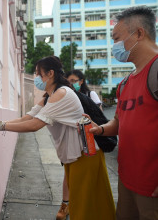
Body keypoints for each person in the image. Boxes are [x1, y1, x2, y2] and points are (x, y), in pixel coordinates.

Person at [0, 56, 116, 220]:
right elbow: (28, 117)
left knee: (85, 207)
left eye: (38, 73)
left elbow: (35, 125)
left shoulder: (62, 94)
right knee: (83, 205)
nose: (36, 78)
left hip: (85, 156)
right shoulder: (51, 95)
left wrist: (0, 126)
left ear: (50, 73)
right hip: (75, 156)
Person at [88, 6, 158, 220]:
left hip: (152, 187)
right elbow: (119, 122)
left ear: (139, 33)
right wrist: (97, 129)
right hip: (127, 180)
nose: (114, 46)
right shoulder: (126, 82)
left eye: (117, 38)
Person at [53, 70, 104, 220]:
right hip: (70, 140)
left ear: (81, 81)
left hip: (88, 141)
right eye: (69, 80)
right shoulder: (65, 95)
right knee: (68, 176)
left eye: (74, 80)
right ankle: (65, 205)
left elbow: (98, 116)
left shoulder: (91, 96)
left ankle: (86, 206)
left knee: (87, 177)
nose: (72, 83)